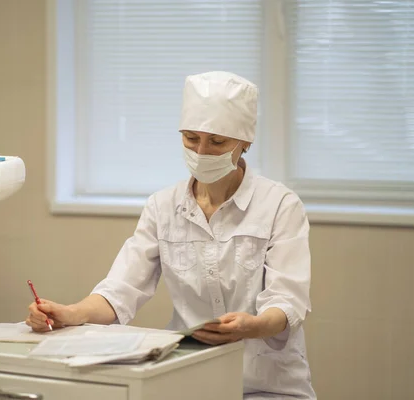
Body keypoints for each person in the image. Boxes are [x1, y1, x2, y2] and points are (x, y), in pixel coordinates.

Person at [26, 71, 315, 399]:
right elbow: (121, 290)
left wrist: (254, 325)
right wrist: (71, 313)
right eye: (191, 138)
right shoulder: (163, 207)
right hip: (186, 378)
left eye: (217, 141)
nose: (202, 151)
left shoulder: (279, 205)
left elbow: (287, 301)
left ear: (245, 141)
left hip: (268, 385)